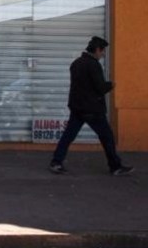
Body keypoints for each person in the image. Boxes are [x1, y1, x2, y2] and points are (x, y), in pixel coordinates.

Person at [49, 36, 134, 176]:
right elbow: (100, 87)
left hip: (77, 107)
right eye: (102, 51)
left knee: (68, 135)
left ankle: (56, 162)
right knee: (107, 136)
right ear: (96, 50)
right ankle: (115, 166)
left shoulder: (76, 63)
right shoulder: (93, 65)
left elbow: (79, 86)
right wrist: (111, 85)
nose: (103, 54)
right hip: (92, 109)